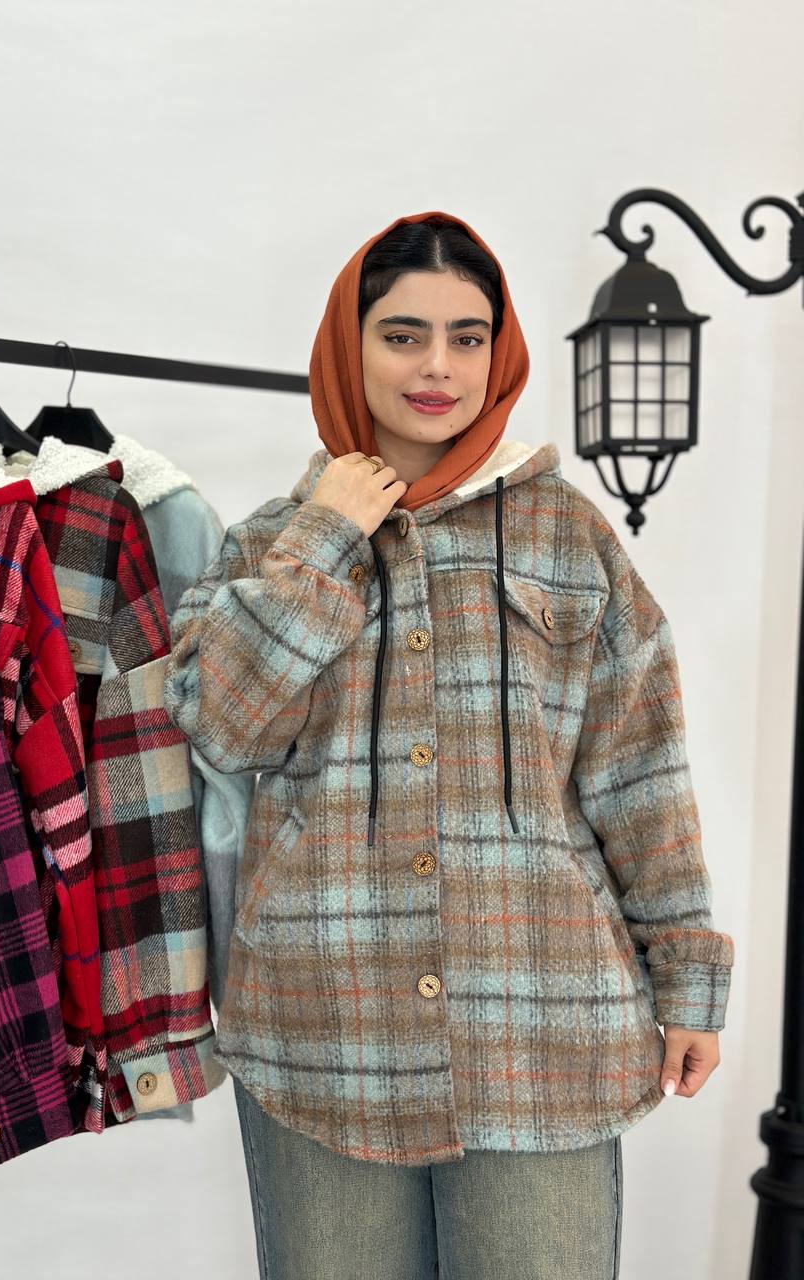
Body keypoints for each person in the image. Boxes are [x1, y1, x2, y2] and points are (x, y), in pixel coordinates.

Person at [160, 210, 735, 1280]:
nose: (438, 367)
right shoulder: (270, 541)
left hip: (544, 1033)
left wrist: (688, 978)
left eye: (467, 338)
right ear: (349, 346)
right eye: (403, 334)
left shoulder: (571, 535)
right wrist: (328, 535)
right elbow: (222, 724)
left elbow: (640, 771)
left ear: (497, 353)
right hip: (322, 1031)